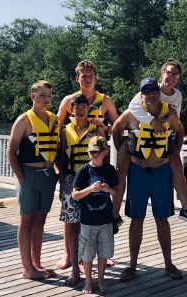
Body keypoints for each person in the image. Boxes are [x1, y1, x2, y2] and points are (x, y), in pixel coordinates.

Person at [112, 78, 183, 281]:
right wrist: (123, 150)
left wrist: (173, 150)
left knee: (162, 219)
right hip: (138, 172)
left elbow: (179, 130)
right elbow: (116, 129)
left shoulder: (169, 113)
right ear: (141, 94)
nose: (151, 94)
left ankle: (169, 264)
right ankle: (132, 265)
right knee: (137, 219)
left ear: (158, 93)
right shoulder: (132, 113)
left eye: (154, 90)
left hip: (161, 173)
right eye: (147, 91)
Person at [115, 59, 187, 224]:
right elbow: (133, 108)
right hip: (139, 138)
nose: (171, 77)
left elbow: (177, 123)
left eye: (175, 74)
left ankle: (186, 209)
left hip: (163, 139)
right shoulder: (151, 89)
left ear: (179, 77)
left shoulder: (178, 95)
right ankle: (114, 215)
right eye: (168, 73)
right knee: (121, 171)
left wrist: (176, 145)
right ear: (162, 74)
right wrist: (151, 121)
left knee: (176, 166)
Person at [56, 60, 120, 269]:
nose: (88, 78)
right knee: (71, 217)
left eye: (90, 74)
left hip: (96, 167)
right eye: (83, 75)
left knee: (99, 212)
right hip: (73, 170)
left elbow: (117, 129)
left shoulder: (106, 101)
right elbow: (57, 129)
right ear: (78, 78)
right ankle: (68, 254)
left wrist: (105, 127)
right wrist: (59, 172)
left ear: (96, 77)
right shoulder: (69, 101)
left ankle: (103, 254)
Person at [6, 80, 59, 279]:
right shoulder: (24, 120)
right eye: (43, 95)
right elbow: (11, 152)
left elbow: (58, 148)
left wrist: (57, 174)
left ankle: (37, 264)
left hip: (48, 177)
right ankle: (27, 268)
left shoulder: (54, 119)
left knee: (41, 221)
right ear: (33, 96)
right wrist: (22, 178)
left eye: (50, 96)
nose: (47, 99)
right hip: (29, 175)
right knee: (26, 221)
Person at [57, 94, 106, 285]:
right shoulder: (64, 131)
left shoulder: (97, 129)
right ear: (71, 109)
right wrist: (62, 185)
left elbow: (104, 157)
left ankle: (88, 266)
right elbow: (61, 160)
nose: (80, 110)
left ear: (88, 108)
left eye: (84, 107)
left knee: (92, 224)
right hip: (71, 180)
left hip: (92, 179)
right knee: (73, 225)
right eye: (77, 107)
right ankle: (76, 269)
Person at [72, 136, 118, 294]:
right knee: (87, 253)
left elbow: (117, 193)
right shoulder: (83, 170)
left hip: (105, 219)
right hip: (87, 220)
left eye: (97, 151)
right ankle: (88, 282)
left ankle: (101, 281)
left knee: (104, 252)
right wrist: (90, 189)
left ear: (105, 152)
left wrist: (108, 189)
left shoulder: (110, 170)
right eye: (91, 151)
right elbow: (75, 195)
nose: (94, 154)